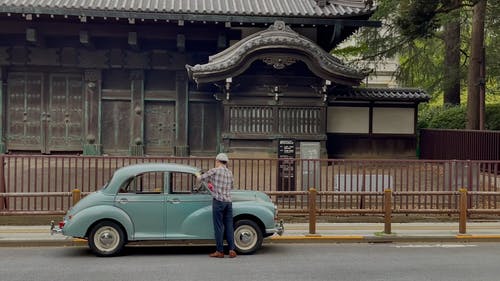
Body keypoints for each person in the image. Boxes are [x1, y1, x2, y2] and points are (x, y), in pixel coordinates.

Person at [197, 153, 237, 258]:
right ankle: (232, 250)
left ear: (218, 161)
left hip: (218, 201)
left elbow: (201, 178)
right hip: (228, 202)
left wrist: (197, 174)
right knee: (229, 226)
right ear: (226, 162)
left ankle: (220, 251)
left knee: (219, 226)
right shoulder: (230, 173)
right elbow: (231, 186)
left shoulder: (214, 170)